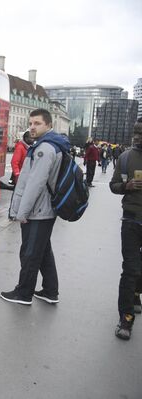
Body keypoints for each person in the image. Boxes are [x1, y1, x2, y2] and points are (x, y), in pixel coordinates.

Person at [0, 108, 69, 305]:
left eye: (37, 123)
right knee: (43, 251)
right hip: (45, 209)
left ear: (48, 125)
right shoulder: (51, 145)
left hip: (37, 211)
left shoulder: (44, 149)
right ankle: (50, 290)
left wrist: (21, 213)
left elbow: (34, 184)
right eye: (30, 123)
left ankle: (23, 293)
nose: (32, 127)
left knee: (29, 253)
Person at [109, 121, 142, 340]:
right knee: (130, 268)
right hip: (131, 220)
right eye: (136, 132)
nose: (137, 136)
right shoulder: (126, 158)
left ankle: (136, 295)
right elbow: (114, 185)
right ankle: (126, 318)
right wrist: (125, 186)